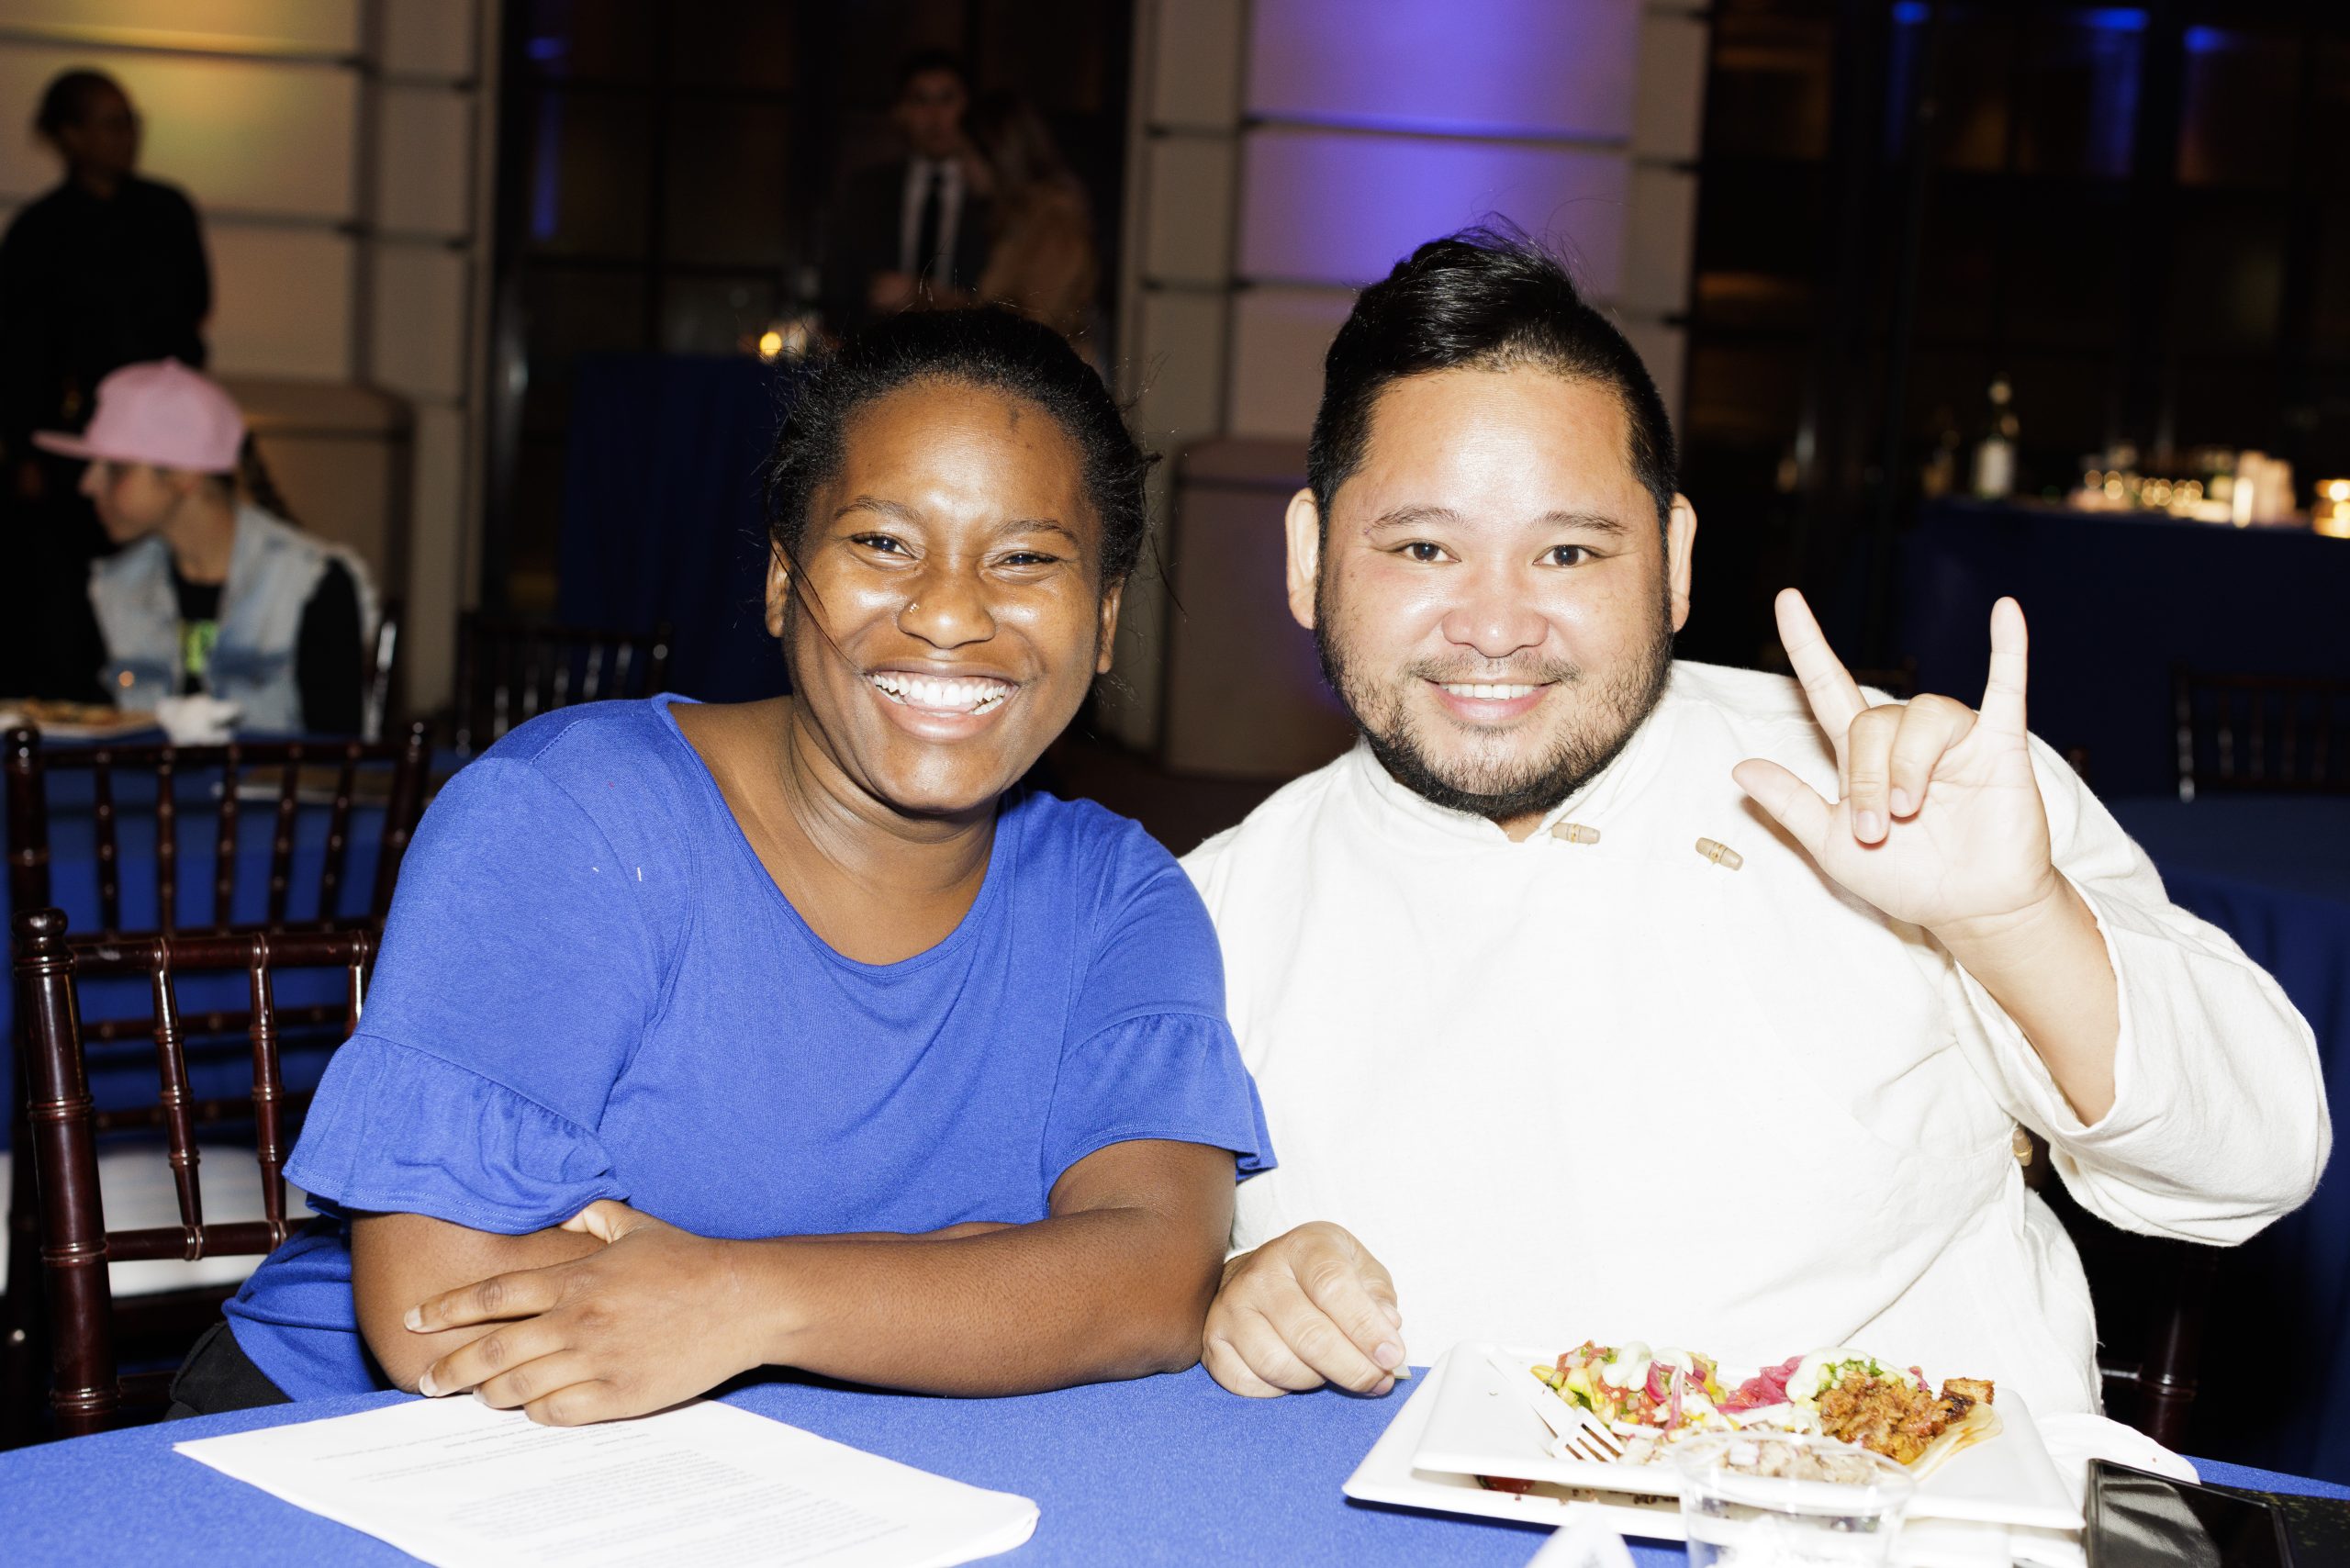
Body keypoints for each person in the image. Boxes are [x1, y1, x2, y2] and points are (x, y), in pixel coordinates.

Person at [1186, 230, 2327, 1417]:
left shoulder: (1906, 789)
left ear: (1673, 560)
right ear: (1311, 555)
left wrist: (2016, 923)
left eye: (1568, 551)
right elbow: (1101, 1262)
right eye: (1425, 547)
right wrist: (1221, 1296)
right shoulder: (1209, 916)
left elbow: (2257, 1159)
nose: (1496, 623)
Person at [168, 308, 1270, 1423]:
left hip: (820, 1469)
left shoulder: (1121, 898)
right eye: (883, 543)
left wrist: (740, 1295)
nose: (947, 612)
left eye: (1027, 558)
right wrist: (969, 1275)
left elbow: (1152, 1284)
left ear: (1106, 616)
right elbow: (443, 1304)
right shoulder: (578, 812)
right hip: (354, 1443)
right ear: (785, 582)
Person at [0, 69, 210, 700]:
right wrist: (25, 452)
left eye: (130, 121)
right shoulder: (40, 230)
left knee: (170, 575)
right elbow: (17, 351)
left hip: (161, 446)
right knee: (63, 594)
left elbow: (190, 319)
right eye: (110, 123)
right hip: (71, 443)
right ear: (69, 135)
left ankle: (173, 698)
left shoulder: (166, 211)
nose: (126, 136)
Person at [32, 360, 374, 735]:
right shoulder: (109, 587)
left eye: (115, 469)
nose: (88, 484)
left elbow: (340, 755)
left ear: (183, 475)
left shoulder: (311, 583)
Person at [820, 50, 992, 335]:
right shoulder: (865, 192)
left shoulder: (991, 192)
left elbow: (1018, 303)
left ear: (968, 107)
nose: (934, 116)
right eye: (920, 101)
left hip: (977, 359)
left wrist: (923, 295)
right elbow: (837, 293)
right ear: (900, 112)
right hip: (882, 361)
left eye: (947, 99)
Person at [963, 94, 1098, 349]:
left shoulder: (1054, 219)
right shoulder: (1020, 218)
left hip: (1049, 375)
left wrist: (936, 300)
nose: (963, 168)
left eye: (966, 155)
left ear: (996, 154)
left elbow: (1039, 317)